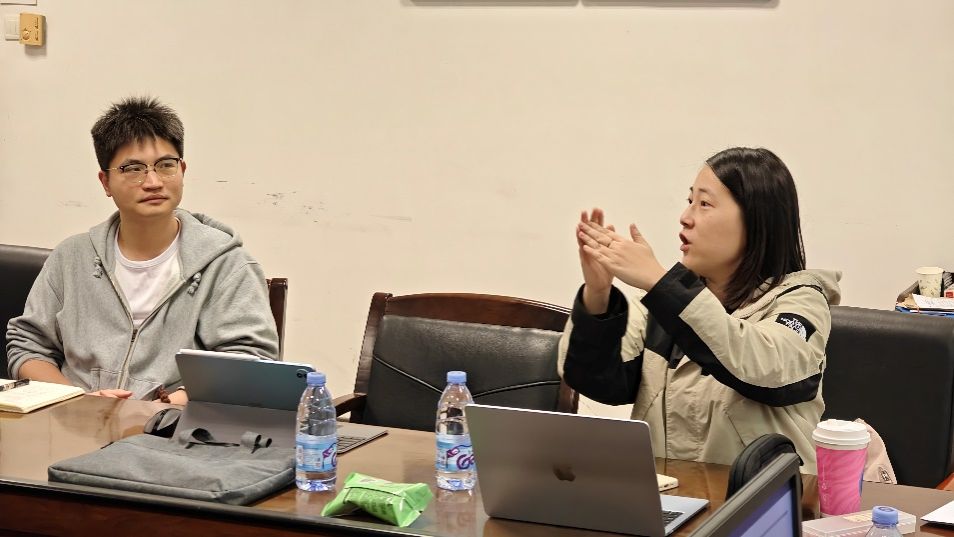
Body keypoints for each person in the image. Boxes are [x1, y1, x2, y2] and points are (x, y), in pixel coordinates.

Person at [558, 147, 841, 473]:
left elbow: (762, 366)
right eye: (689, 200)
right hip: (669, 496)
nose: (685, 216)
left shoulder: (800, 301)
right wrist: (598, 294)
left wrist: (661, 283)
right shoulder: (664, 302)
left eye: (704, 204)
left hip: (761, 500)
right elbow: (596, 380)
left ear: (756, 219)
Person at [6, 97, 279, 404]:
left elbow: (250, 363)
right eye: (133, 168)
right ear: (105, 182)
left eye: (166, 165)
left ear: (182, 170)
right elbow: (29, 345)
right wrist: (79, 401)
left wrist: (163, 408)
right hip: (77, 421)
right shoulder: (71, 257)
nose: (153, 182)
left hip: (174, 425)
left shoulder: (227, 264)